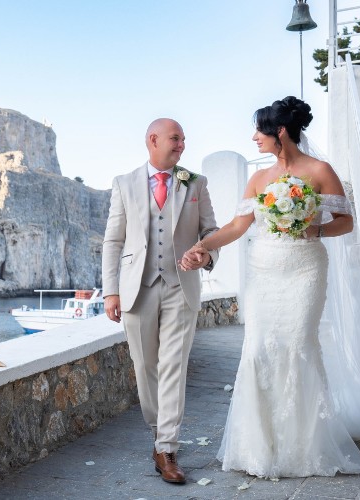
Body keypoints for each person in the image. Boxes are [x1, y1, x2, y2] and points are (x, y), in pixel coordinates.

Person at [182, 96, 360, 479]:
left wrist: (312, 226)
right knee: (258, 351)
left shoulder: (319, 170)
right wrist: (202, 247)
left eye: (259, 130)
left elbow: (345, 222)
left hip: (304, 268)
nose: (254, 137)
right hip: (265, 271)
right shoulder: (259, 179)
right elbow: (237, 227)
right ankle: (260, 446)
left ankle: (304, 447)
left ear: (280, 131)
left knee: (299, 345)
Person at [101, 118, 219, 484]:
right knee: (144, 366)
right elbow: (113, 241)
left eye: (183, 138)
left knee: (174, 366)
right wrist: (110, 290)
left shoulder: (195, 183)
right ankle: (158, 432)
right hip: (138, 287)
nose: (182, 144)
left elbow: (211, 231)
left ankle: (167, 446)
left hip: (181, 286)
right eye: (175, 138)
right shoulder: (124, 184)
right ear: (153, 140)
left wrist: (207, 256)